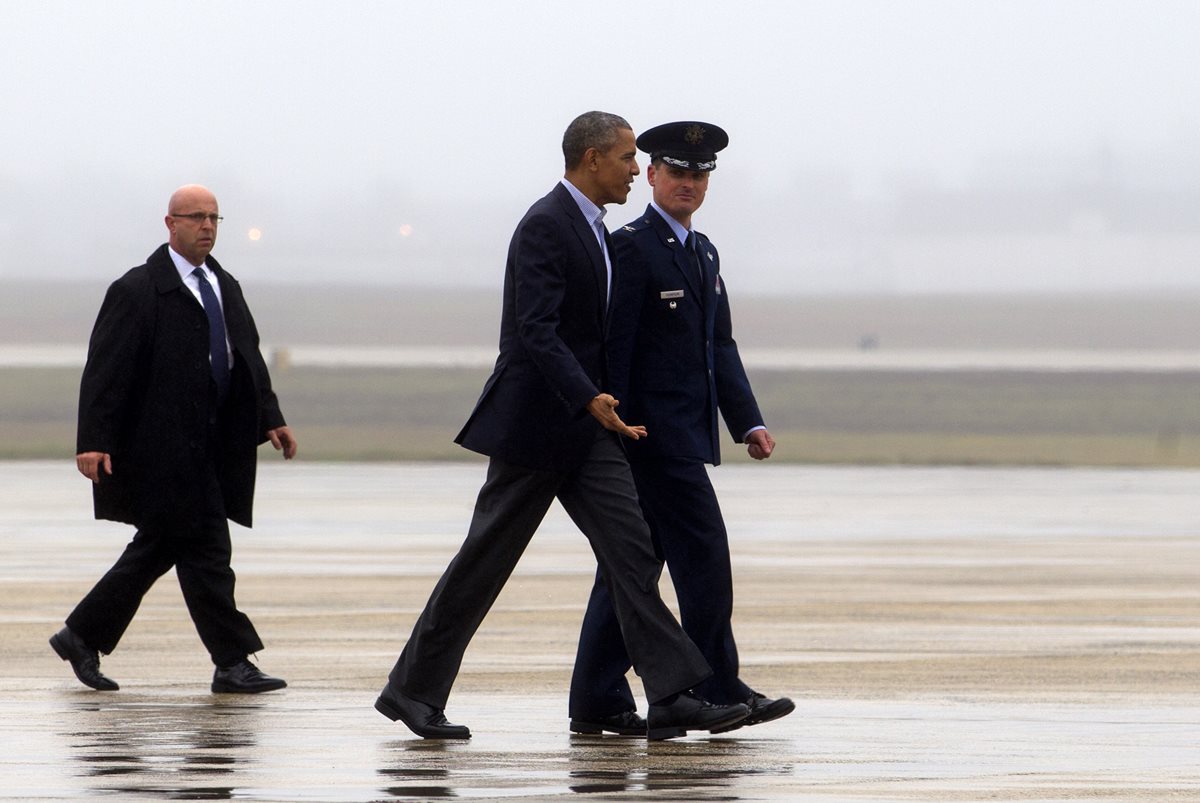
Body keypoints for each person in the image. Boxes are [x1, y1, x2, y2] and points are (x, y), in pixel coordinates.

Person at [374, 112, 750, 741]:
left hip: (588, 433)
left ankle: (672, 695)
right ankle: (411, 691)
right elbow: (535, 330)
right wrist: (589, 398)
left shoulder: (595, 229)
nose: (638, 169)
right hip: (535, 428)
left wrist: (607, 409)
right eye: (629, 158)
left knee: (632, 554)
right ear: (593, 157)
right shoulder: (546, 224)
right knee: (483, 564)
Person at [569, 121, 795, 734]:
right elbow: (615, 348)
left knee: (631, 570)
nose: (688, 183)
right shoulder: (632, 249)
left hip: (687, 438)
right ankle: (717, 683)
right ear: (651, 175)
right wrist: (615, 422)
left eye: (699, 175)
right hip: (647, 441)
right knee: (704, 561)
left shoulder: (702, 253)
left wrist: (746, 421)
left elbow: (718, 346)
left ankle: (596, 697)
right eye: (677, 172)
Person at [50, 184, 297, 695]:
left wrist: (270, 417)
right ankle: (231, 661)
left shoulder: (224, 284)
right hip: (158, 446)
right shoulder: (139, 289)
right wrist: (93, 440)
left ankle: (83, 634)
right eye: (196, 217)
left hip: (211, 444)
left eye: (214, 218)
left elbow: (245, 357)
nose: (206, 226)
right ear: (170, 224)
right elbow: (105, 371)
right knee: (204, 549)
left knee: (166, 545)